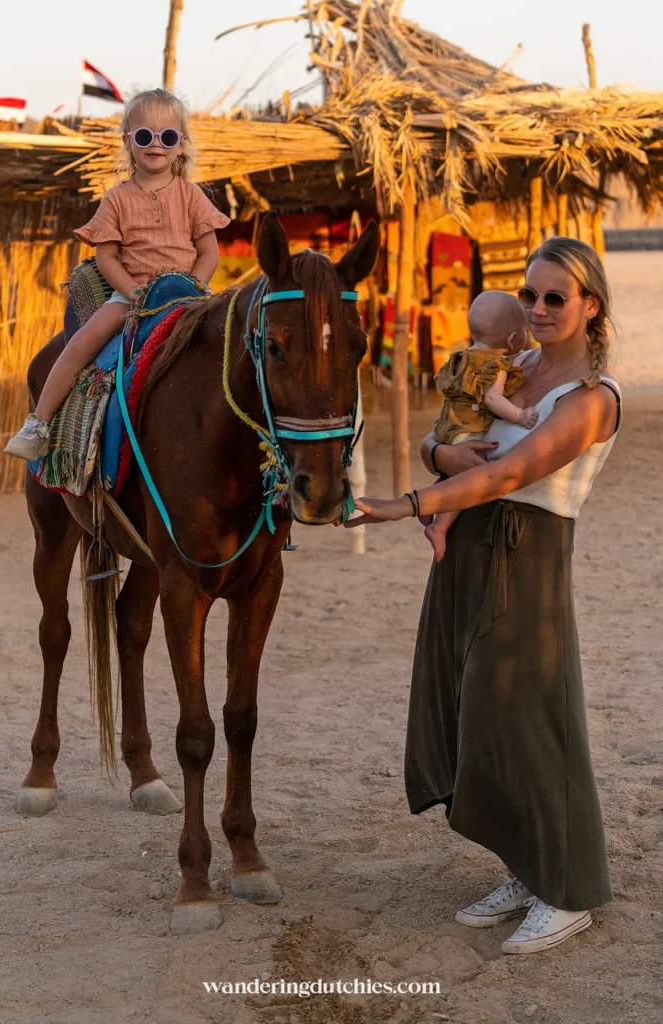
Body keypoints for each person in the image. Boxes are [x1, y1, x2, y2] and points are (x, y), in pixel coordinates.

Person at [346, 236, 621, 955]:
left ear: (589, 306)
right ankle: (526, 870)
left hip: (526, 555)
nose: (534, 309)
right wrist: (438, 460)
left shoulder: (592, 397)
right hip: (464, 551)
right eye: (527, 294)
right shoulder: (509, 366)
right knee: (474, 715)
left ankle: (567, 892)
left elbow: (509, 473)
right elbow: (449, 436)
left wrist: (405, 502)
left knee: (529, 718)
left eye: (552, 298)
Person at [5, 87, 230, 461]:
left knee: (233, 339)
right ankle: (39, 423)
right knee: (82, 341)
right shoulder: (117, 198)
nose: (155, 144)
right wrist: (133, 291)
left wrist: (194, 287)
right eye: (144, 136)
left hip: (188, 295)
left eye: (167, 136)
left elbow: (209, 252)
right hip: (131, 296)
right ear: (128, 141)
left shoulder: (191, 196)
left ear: (181, 144)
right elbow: (106, 257)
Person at [424, 291, 539, 561]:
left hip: (446, 426)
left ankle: (429, 502)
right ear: (513, 339)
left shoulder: (461, 357)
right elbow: (492, 398)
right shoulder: (495, 365)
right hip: (469, 429)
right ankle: (439, 526)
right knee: (473, 476)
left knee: (453, 472)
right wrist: (520, 416)